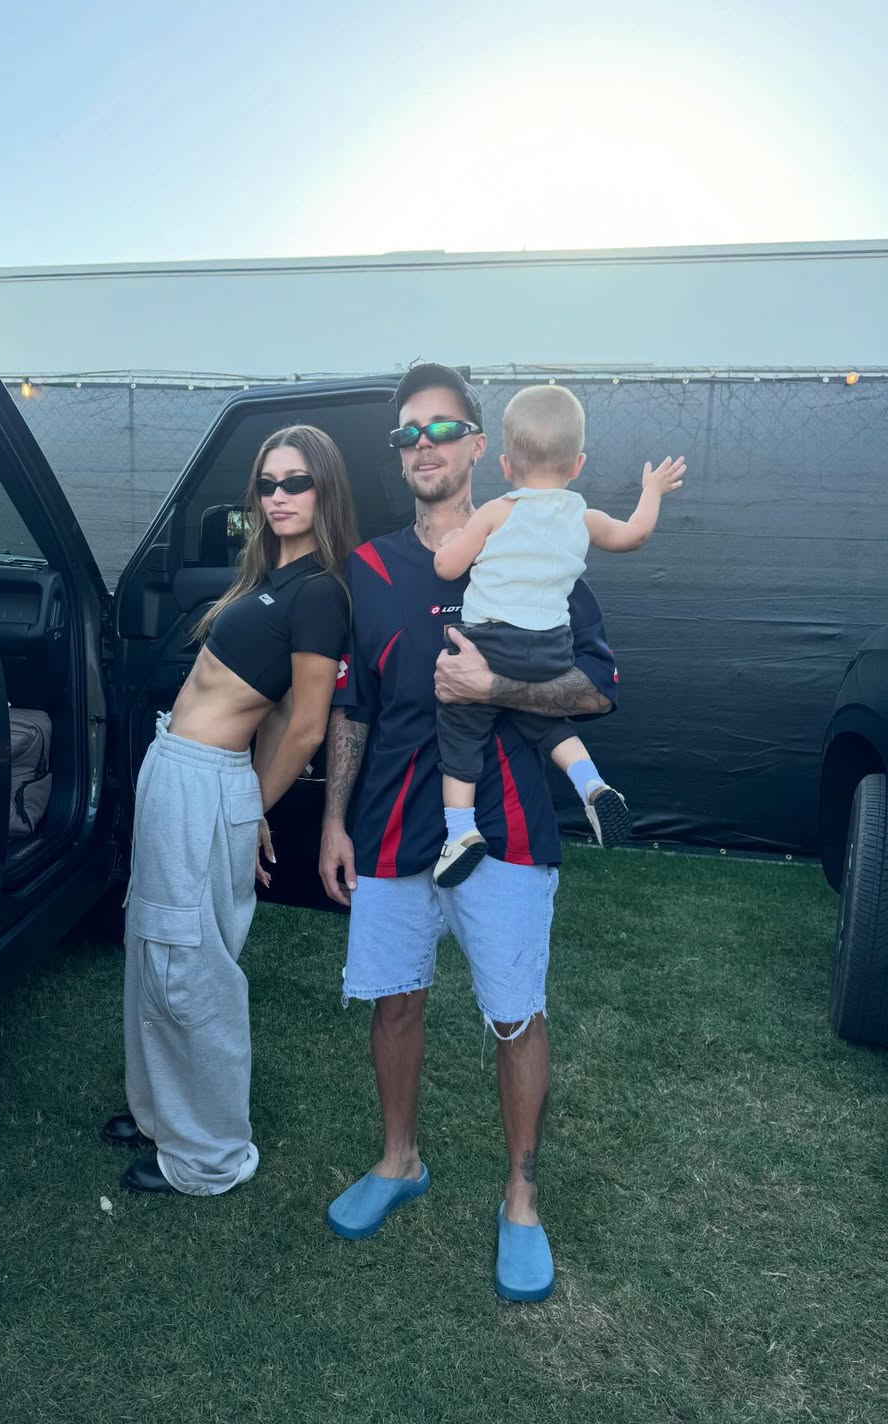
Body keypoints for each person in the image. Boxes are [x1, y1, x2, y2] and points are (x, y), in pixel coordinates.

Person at [318, 363, 620, 1303]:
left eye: (442, 429)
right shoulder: (371, 568)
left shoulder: (541, 536)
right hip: (391, 828)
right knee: (394, 1003)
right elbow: (354, 707)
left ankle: (521, 1201)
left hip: (510, 828)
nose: (424, 447)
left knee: (515, 1015)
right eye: (407, 433)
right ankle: (399, 1160)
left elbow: (595, 689)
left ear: (481, 446)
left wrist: (497, 687)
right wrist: (333, 820)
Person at [104, 424, 357, 1197]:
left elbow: (305, 725)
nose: (279, 496)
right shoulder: (265, 578)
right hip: (179, 772)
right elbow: (272, 715)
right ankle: (160, 1113)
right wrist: (245, 800)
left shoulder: (319, 592)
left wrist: (247, 805)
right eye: (267, 484)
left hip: (206, 782)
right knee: (153, 943)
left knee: (190, 966)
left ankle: (209, 1154)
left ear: (325, 490)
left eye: (296, 482)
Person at [430, 384, 685, 886]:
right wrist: (652, 492)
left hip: (491, 641)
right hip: (551, 648)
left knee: (459, 722)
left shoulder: (497, 511)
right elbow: (635, 535)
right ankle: (591, 784)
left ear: (505, 466)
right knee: (541, 716)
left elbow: (446, 568)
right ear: (578, 464)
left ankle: (460, 832)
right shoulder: (583, 517)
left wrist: (455, 538)